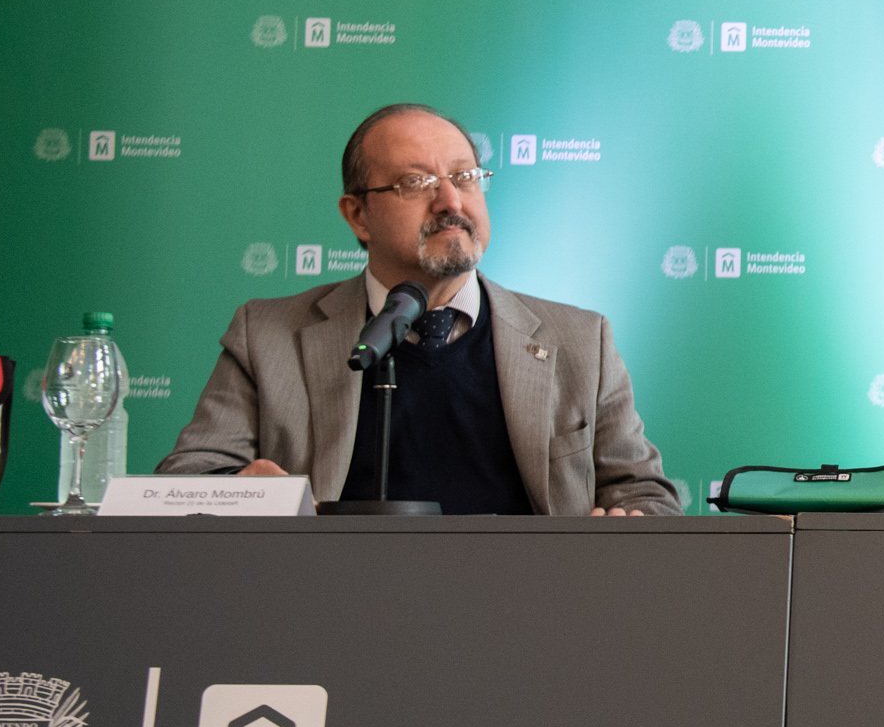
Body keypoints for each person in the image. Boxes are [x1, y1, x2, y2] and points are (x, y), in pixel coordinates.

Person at [161, 102, 677, 514]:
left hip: (527, 604)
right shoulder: (267, 335)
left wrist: (627, 521)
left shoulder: (581, 340)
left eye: (465, 177)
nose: (451, 201)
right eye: (417, 183)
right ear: (358, 215)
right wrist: (241, 493)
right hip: (328, 601)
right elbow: (184, 484)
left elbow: (645, 495)